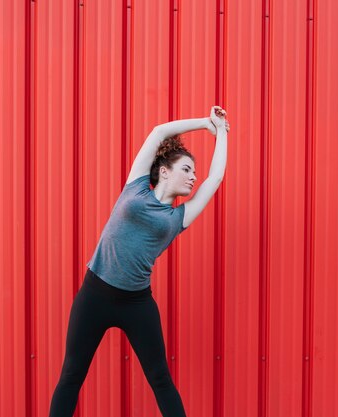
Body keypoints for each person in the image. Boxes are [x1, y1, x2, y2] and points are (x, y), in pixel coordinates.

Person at [49, 106, 230, 417]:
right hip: (95, 295)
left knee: (160, 377)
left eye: (194, 173)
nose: (193, 177)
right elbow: (159, 132)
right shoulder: (135, 187)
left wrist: (223, 132)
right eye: (186, 169)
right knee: (71, 376)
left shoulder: (179, 216)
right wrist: (205, 123)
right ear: (164, 171)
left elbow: (215, 179)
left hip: (136, 303)